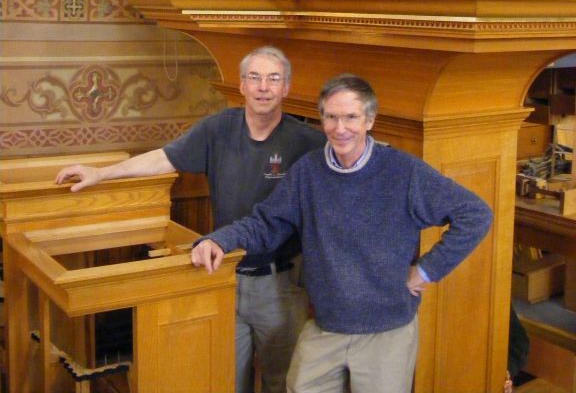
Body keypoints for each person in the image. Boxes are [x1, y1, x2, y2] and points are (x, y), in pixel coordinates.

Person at [192, 73, 494, 393]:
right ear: (321, 119)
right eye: (331, 117)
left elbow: (475, 214)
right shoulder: (308, 173)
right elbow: (266, 223)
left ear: (369, 120)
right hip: (327, 326)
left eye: (351, 117)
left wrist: (427, 270)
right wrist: (219, 239)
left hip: (386, 331)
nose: (340, 128)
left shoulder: (404, 172)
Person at [55, 46, 325, 393]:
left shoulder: (307, 141)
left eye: (273, 79)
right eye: (254, 78)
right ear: (242, 85)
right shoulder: (218, 129)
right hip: (222, 274)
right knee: (222, 378)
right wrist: (102, 173)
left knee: (282, 382)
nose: (263, 87)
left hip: (280, 284)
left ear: (286, 87)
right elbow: (164, 159)